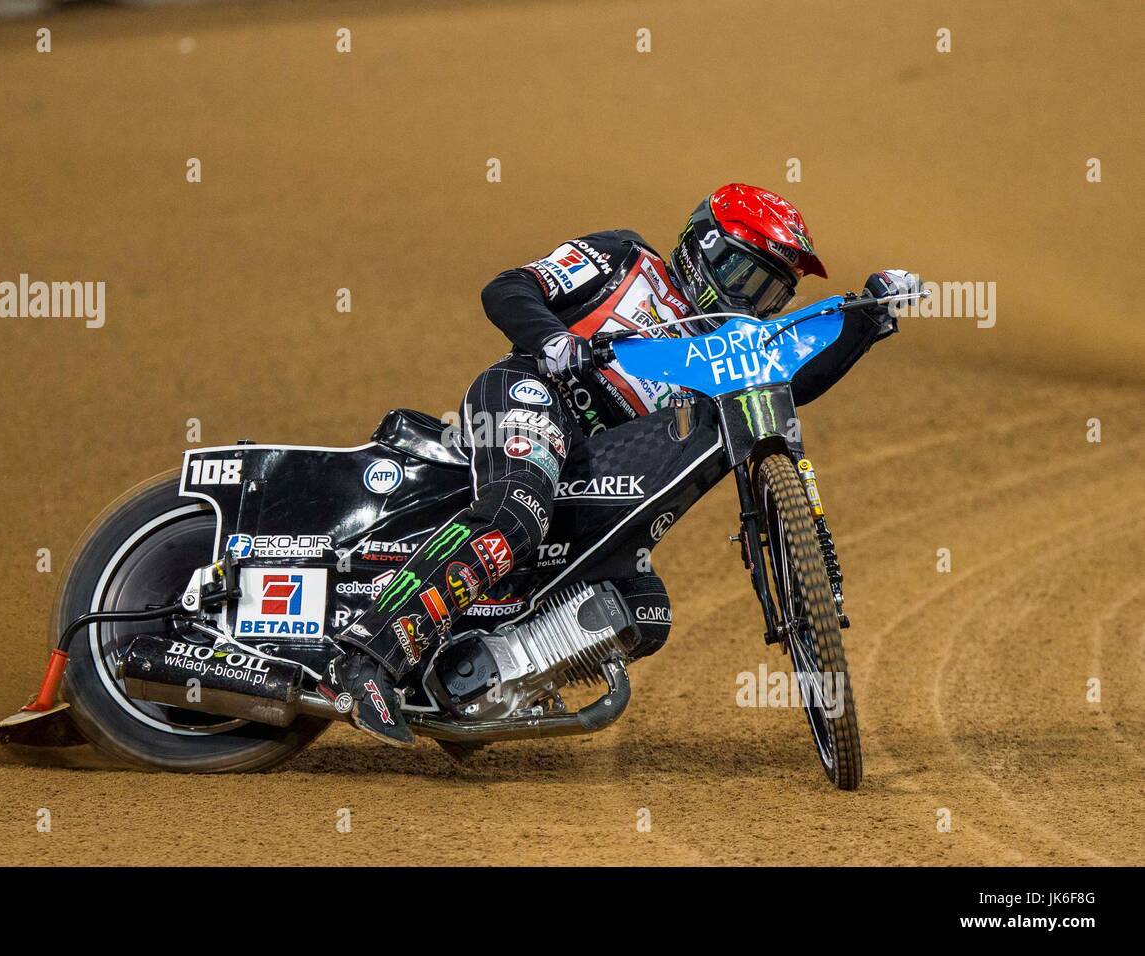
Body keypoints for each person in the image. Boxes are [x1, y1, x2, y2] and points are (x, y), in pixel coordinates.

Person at [321, 183, 918, 747]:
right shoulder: (623, 259)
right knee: (515, 514)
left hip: (594, 461)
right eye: (748, 277)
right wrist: (554, 340)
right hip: (529, 395)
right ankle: (365, 658)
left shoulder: (730, 351)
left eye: (772, 294)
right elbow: (507, 287)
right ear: (706, 249)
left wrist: (868, 321)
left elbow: (796, 382)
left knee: (641, 608)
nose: (755, 303)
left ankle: (473, 688)